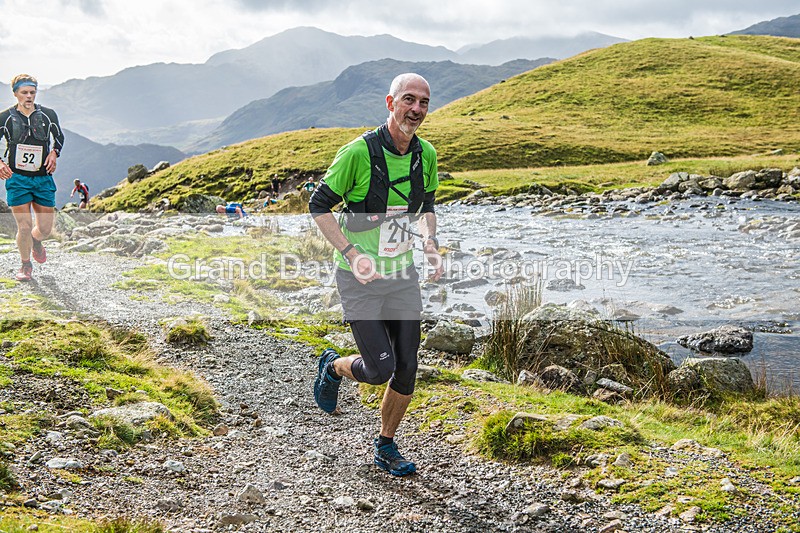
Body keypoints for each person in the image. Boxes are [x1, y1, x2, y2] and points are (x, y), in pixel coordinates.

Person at [309, 73, 443, 477]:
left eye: (423, 102)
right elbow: (319, 206)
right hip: (360, 279)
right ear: (390, 103)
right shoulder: (358, 153)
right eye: (409, 100)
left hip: (402, 276)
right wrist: (351, 254)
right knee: (379, 369)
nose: (416, 109)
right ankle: (333, 366)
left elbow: (426, 208)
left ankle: (385, 446)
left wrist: (431, 244)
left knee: (406, 368)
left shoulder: (426, 155)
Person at [0, 74, 64, 281]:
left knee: (44, 228)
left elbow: (59, 138)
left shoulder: (48, 115)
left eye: (32, 92)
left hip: (43, 178)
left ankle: (36, 241)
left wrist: (54, 153)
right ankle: (25, 265)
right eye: (24, 92)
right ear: (15, 93)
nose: (29, 96)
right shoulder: (5, 117)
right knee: (24, 226)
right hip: (17, 178)